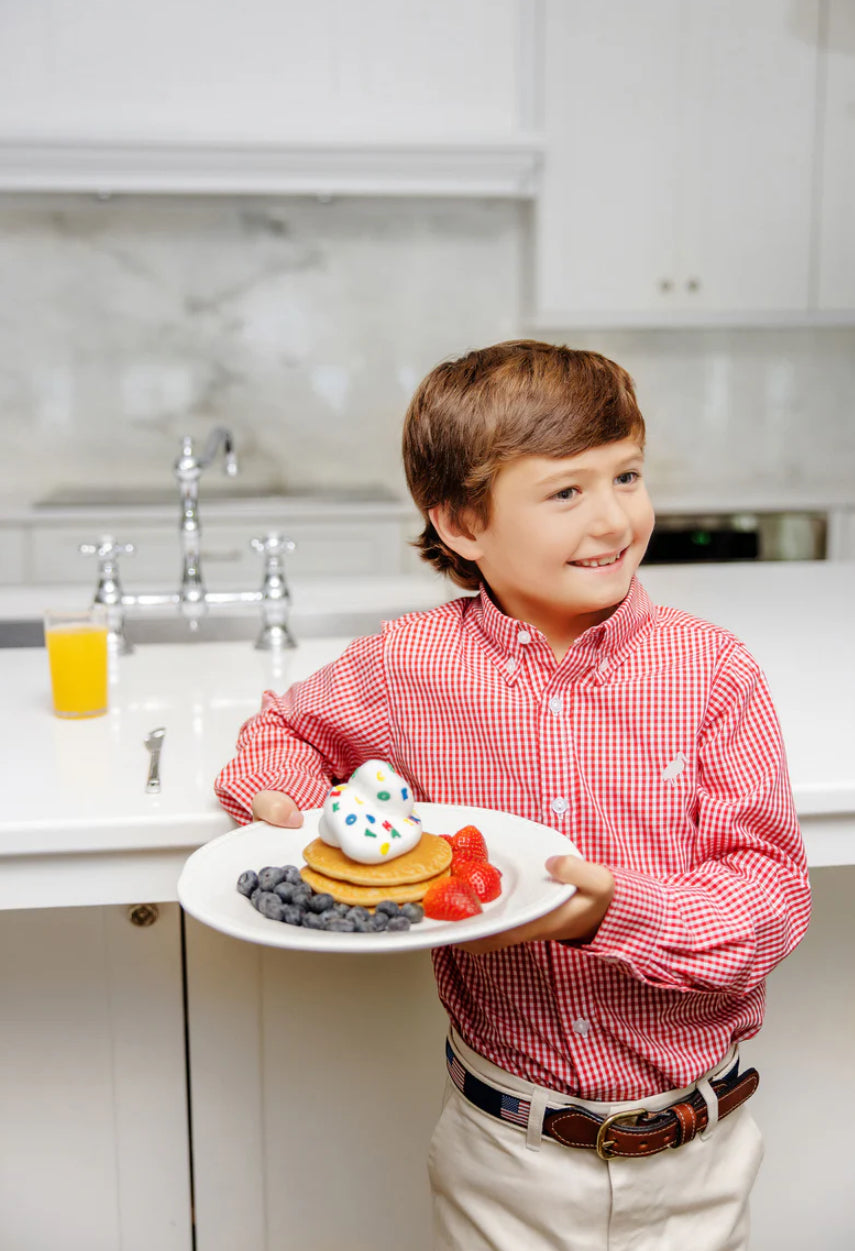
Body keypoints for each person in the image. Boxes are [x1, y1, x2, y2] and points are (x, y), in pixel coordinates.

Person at [215, 340, 810, 1251]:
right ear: (460, 524)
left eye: (627, 475)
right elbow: (283, 732)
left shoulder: (711, 673)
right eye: (566, 491)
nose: (612, 518)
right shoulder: (410, 663)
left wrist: (612, 915)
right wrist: (293, 808)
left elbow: (770, 899)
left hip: (699, 1152)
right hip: (504, 1148)